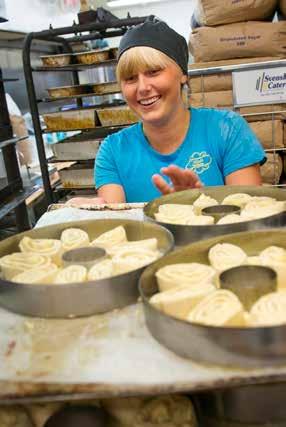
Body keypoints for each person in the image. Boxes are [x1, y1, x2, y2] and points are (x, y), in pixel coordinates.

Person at [76, 17, 266, 206]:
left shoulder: (227, 130)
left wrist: (198, 207)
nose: (142, 87)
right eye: (130, 78)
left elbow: (251, 218)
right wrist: (78, 215)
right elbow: (113, 226)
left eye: (153, 72)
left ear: (183, 74)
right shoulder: (113, 151)